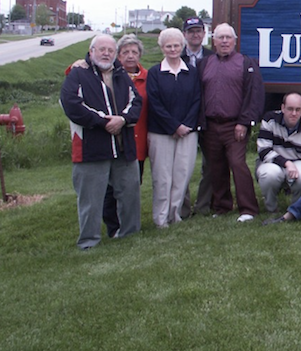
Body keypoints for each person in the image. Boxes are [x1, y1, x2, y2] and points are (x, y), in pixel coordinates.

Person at [60, 34, 142, 249]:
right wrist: (103, 122)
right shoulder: (78, 74)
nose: (106, 53)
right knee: (90, 199)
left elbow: (136, 102)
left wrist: (122, 120)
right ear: (91, 51)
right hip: (91, 148)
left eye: (110, 50)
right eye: (101, 49)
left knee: (130, 193)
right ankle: (89, 241)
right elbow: (72, 104)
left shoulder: (121, 74)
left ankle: (130, 234)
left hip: (123, 147)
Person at [198, 23, 264, 222]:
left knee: (237, 164)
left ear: (235, 41)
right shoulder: (204, 64)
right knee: (216, 167)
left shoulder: (245, 63)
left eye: (228, 37)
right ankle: (222, 206)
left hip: (235, 125)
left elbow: (254, 94)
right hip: (211, 125)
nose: (224, 41)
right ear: (214, 41)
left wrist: (244, 122)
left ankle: (248, 208)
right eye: (221, 37)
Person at [146, 28, 201, 228]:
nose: (173, 49)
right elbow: (154, 103)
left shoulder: (191, 72)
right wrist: (174, 126)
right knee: (162, 177)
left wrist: (185, 126)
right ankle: (161, 218)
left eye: (176, 45)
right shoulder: (155, 73)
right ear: (162, 48)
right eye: (168, 46)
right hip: (161, 133)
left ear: (182, 46)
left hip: (187, 132)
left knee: (182, 174)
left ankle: (175, 214)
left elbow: (196, 100)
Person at [255, 92, 301, 213]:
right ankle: (272, 209)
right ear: (282, 108)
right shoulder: (270, 119)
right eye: (290, 109)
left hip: (298, 163)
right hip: (271, 162)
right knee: (269, 174)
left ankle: (295, 209)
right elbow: (263, 150)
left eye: (297, 109)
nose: (294, 113)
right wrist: (287, 163)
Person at [180, 16, 215, 218]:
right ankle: (183, 208)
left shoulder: (213, 57)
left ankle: (203, 205)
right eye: (191, 31)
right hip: (185, 117)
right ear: (185, 34)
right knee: (183, 166)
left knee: (210, 165)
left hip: (208, 116)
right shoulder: (177, 56)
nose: (195, 35)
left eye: (198, 31)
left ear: (204, 33)